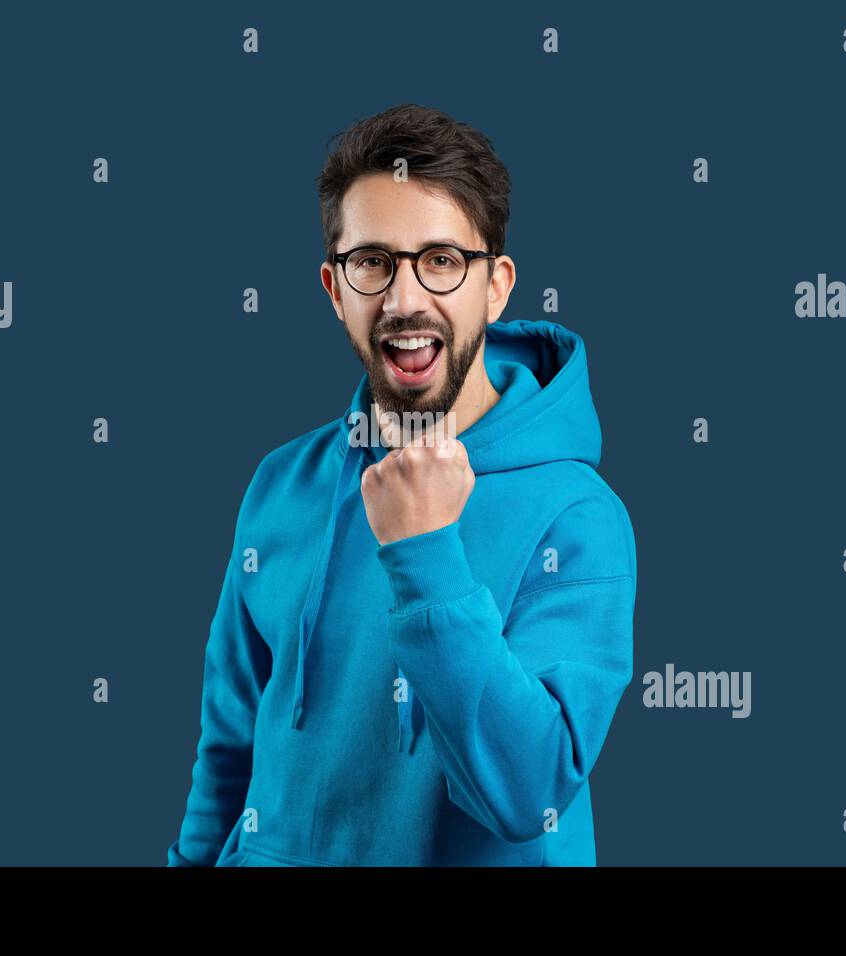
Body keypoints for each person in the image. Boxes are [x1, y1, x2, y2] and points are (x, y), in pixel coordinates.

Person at [168, 103, 636, 866]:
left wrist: (425, 555)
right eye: (374, 262)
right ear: (334, 287)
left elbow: (529, 793)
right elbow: (229, 750)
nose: (406, 298)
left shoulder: (577, 518)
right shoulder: (281, 482)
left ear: (496, 286)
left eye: (442, 260)